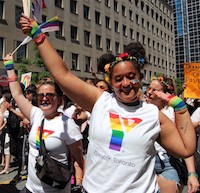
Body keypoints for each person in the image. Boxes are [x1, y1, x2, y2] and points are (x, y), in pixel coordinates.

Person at [20, 15, 196, 193]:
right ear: (111, 82)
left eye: (131, 77)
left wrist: (180, 108)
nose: (125, 83)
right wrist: (38, 35)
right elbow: (62, 74)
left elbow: (186, 148)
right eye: (118, 79)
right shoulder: (100, 101)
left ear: (140, 78)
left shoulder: (152, 114)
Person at [3, 53, 84, 193]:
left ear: (59, 99)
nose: (44, 98)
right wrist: (9, 67)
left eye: (50, 95)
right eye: (41, 95)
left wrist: (80, 183)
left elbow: (79, 161)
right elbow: (17, 94)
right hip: (30, 189)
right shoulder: (36, 115)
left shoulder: (68, 125)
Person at [146, 76, 199, 193]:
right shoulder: (140, 108)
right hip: (145, 162)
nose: (149, 92)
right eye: (149, 88)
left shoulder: (173, 113)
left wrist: (192, 173)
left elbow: (185, 144)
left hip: (168, 162)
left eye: (155, 90)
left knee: (171, 189)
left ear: (165, 95)